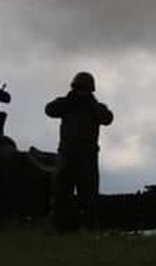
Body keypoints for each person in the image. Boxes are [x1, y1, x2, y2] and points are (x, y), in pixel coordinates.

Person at [44, 71, 114, 230]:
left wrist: (91, 103)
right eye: (79, 89)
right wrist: (70, 100)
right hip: (68, 153)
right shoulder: (67, 104)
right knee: (61, 193)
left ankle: (86, 226)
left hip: (86, 155)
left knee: (88, 196)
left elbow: (107, 118)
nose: (81, 93)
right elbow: (49, 110)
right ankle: (60, 226)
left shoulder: (95, 107)